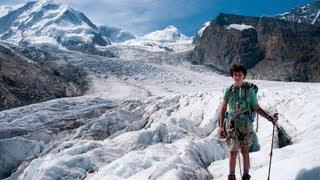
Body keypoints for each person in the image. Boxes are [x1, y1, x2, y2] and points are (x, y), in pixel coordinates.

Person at [219, 64, 278, 180]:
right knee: (233, 152)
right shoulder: (229, 91)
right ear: (232, 76)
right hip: (232, 125)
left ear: (244, 76)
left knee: (245, 150)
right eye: (235, 75)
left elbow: (256, 107)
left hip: (245, 125)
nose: (237, 77)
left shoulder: (249, 91)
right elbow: (223, 108)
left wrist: (268, 117)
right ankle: (231, 176)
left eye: (239, 75)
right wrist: (221, 126)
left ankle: (246, 175)